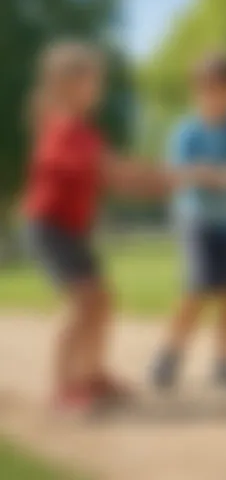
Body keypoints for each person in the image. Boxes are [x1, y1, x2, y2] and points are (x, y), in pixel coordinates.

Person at [22, 41, 199, 414]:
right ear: (66, 83)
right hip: (50, 226)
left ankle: (92, 374)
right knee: (84, 304)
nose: (98, 88)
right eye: (91, 80)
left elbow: (116, 180)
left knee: (101, 302)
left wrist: (165, 182)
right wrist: (171, 176)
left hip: (68, 228)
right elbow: (114, 171)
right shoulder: (65, 129)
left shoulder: (83, 131)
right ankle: (64, 385)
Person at [151, 52, 226, 389]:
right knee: (198, 288)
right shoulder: (187, 131)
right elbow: (178, 173)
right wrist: (207, 175)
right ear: (197, 92)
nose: (218, 98)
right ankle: (169, 355)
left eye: (225, 90)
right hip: (197, 218)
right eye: (209, 90)